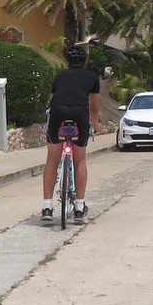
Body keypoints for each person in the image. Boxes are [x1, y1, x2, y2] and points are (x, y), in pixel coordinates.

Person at [41, 44, 103, 222]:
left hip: (58, 112)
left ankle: (47, 207)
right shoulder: (92, 77)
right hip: (79, 113)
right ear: (84, 60)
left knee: (52, 160)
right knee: (80, 159)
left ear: (67, 60)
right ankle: (79, 207)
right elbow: (94, 106)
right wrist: (96, 124)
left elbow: (53, 99)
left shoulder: (59, 76)